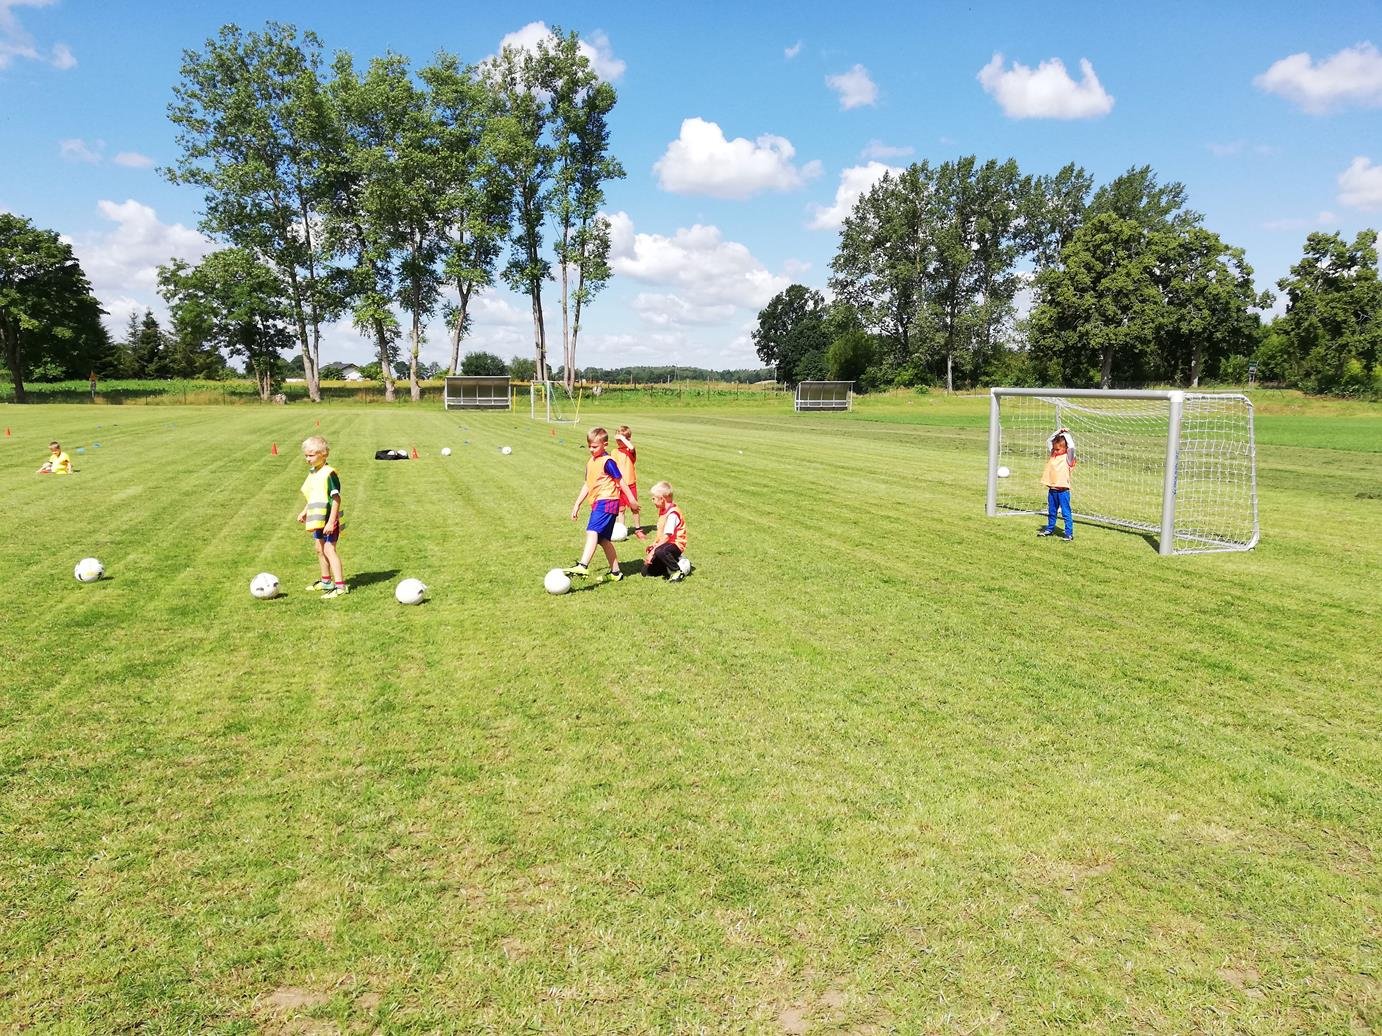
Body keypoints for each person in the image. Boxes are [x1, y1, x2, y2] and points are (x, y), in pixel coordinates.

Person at [566, 426, 639, 581]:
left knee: (592, 531)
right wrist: (577, 504)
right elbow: (587, 484)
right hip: (599, 502)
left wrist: (631, 499)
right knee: (602, 539)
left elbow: (620, 481)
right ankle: (616, 572)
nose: (591, 450)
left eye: (594, 446)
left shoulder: (608, 461)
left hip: (608, 501)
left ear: (605, 445)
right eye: (589, 446)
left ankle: (583, 565)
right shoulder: (591, 462)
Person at [297, 435, 348, 597]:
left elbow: (336, 499)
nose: (308, 459)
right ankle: (326, 581)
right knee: (319, 549)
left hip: (328, 519)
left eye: (311, 455)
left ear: (324, 454)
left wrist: (331, 522)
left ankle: (340, 586)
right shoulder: (314, 472)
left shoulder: (329, 474)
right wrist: (305, 511)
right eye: (306, 455)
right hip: (317, 519)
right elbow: (315, 495)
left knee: (329, 549)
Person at [642, 480, 688, 581]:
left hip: (675, 545)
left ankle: (677, 571)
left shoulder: (672, 514)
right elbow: (661, 534)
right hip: (665, 545)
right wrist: (654, 545)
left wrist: (653, 552)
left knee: (660, 551)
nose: (652, 500)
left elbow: (667, 536)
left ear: (662, 499)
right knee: (647, 571)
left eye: (653, 498)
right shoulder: (663, 511)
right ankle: (667, 565)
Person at [1038, 428, 1077, 540]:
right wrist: (1058, 432)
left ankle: (1068, 534)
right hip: (1052, 490)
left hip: (1063, 492)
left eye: (1058, 449)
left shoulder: (1068, 458)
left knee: (1066, 513)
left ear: (1065, 448)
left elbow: (1072, 446)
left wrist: (1066, 434)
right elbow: (1048, 441)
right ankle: (1049, 529)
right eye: (1054, 448)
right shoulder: (1053, 455)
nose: (1055, 450)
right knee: (1052, 511)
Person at [612, 425, 647, 540]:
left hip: (630, 484)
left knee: (634, 507)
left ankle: (638, 529)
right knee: (620, 510)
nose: (618, 442)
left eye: (621, 440)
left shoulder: (629, 451)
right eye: (617, 439)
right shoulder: (614, 452)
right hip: (619, 485)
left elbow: (631, 446)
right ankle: (621, 530)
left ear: (627, 439)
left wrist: (622, 438)